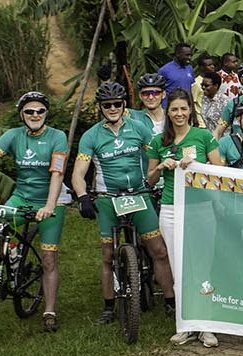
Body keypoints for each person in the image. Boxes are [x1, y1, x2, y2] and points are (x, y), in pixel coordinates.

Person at [0, 91, 69, 333]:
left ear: (46, 114)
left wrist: (49, 206)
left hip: (50, 200)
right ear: (22, 114)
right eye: (30, 111)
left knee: (48, 258)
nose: (35, 115)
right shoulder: (13, 136)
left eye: (40, 111)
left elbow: (57, 174)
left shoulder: (57, 137)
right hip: (21, 197)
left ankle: (49, 310)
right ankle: (3, 260)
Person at [71, 81, 177, 325]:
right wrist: (83, 196)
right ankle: (109, 307)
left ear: (124, 105)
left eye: (117, 104)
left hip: (139, 194)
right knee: (107, 255)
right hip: (108, 199)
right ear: (100, 107)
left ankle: (170, 301)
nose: (112, 108)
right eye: (107, 105)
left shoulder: (139, 128)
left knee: (159, 251)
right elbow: (78, 172)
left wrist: (164, 168)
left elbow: (158, 153)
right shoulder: (91, 135)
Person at [144, 89, 222, 348]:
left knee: (202, 266)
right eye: (174, 109)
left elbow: (219, 172)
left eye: (183, 109)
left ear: (191, 110)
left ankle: (206, 326)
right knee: (179, 266)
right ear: (168, 111)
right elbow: (149, 179)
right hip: (170, 208)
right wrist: (160, 167)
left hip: (200, 208)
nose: (179, 114)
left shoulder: (203, 137)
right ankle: (185, 324)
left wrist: (197, 168)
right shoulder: (159, 141)